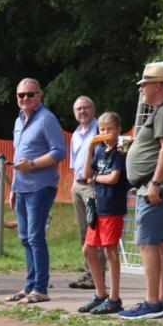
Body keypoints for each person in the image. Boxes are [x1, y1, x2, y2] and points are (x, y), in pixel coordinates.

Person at [121, 64, 163, 320]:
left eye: (144, 84)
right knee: (160, 244)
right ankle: (162, 300)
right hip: (160, 185)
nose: (141, 89)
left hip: (158, 187)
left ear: (158, 85)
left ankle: (152, 303)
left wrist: (155, 183)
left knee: (147, 244)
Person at [7, 78, 66, 304]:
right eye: (21, 95)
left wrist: (31, 165)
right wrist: (13, 187)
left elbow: (59, 151)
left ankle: (40, 288)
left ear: (40, 95)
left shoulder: (46, 119)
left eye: (30, 94)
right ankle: (30, 285)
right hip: (21, 187)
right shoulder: (19, 121)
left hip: (41, 186)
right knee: (24, 237)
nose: (25, 99)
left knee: (35, 237)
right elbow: (17, 156)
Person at [78, 113, 129, 315]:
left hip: (112, 207)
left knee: (110, 252)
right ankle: (100, 294)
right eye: (102, 130)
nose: (105, 133)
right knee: (88, 250)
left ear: (118, 130)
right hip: (98, 207)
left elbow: (114, 178)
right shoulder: (99, 150)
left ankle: (115, 298)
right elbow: (85, 174)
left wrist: (96, 178)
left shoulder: (119, 152)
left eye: (109, 129)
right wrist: (90, 148)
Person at [68, 96, 105, 290]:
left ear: (93, 109)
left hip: (93, 185)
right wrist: (74, 182)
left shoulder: (101, 129)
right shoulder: (76, 133)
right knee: (84, 231)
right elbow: (75, 162)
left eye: (85, 108)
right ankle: (88, 271)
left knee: (95, 230)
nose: (82, 112)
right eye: (78, 109)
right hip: (78, 184)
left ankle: (97, 276)